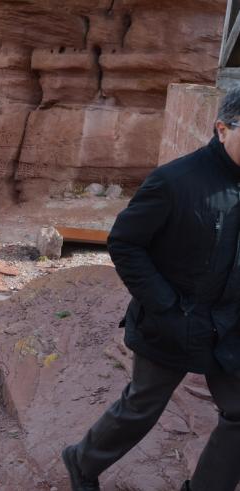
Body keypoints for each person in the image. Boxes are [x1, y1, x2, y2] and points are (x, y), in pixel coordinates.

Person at [61, 89, 240, 491]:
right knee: (143, 406)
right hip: (172, 322)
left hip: (230, 324)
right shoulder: (174, 181)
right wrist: (166, 308)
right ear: (223, 129)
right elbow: (125, 243)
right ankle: (82, 462)